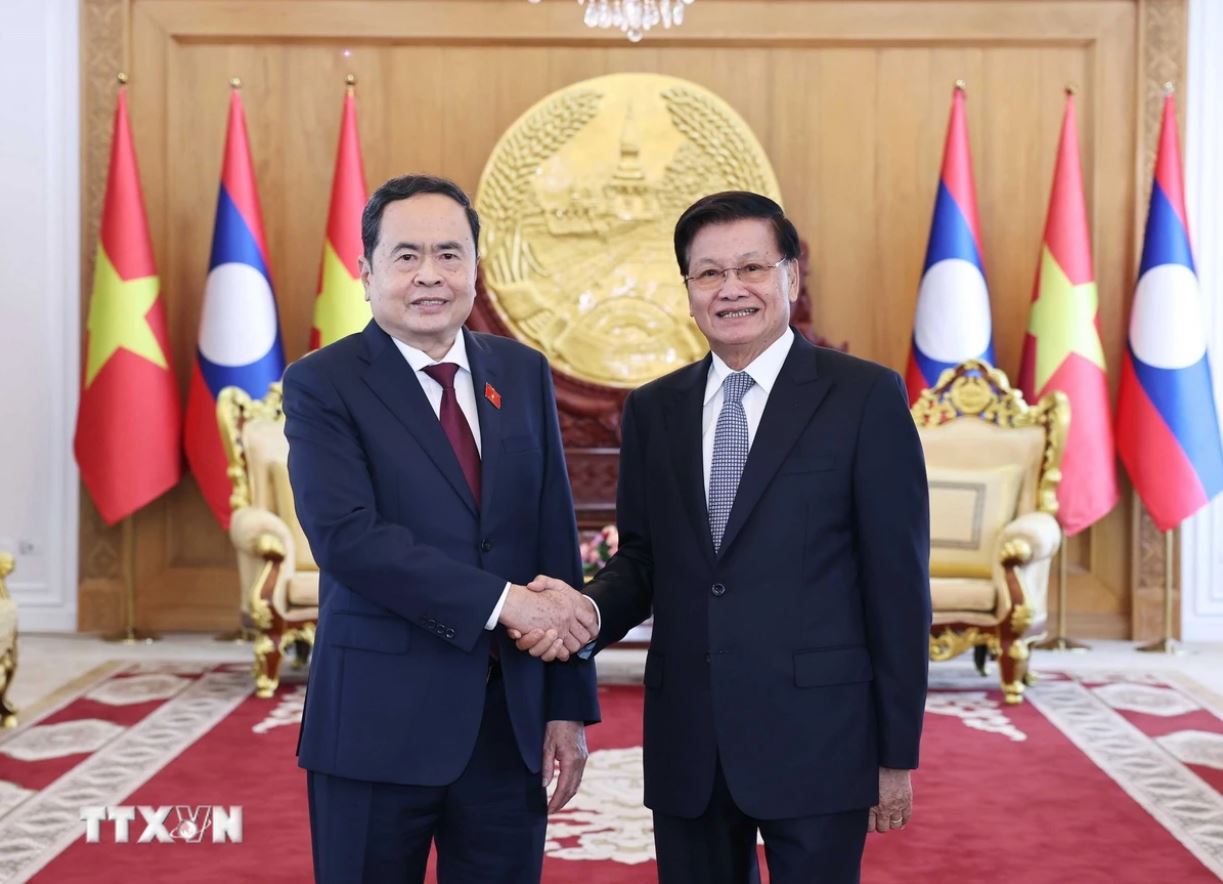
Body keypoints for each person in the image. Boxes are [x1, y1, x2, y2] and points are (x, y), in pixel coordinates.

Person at [515, 191, 931, 883]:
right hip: (690, 739)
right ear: (688, 292)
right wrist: (583, 610)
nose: (730, 288)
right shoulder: (654, 410)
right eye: (708, 273)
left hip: (820, 736)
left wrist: (895, 753)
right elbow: (642, 561)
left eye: (751, 268)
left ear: (790, 277)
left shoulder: (864, 398)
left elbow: (897, 586)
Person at [283, 174, 600, 884]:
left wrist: (567, 707)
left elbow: (553, 541)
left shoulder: (520, 371)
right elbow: (348, 539)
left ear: (475, 269)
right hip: (375, 725)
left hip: (509, 726)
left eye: (449, 254)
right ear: (366, 272)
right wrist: (506, 603)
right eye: (406, 256)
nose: (430, 274)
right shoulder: (323, 384)